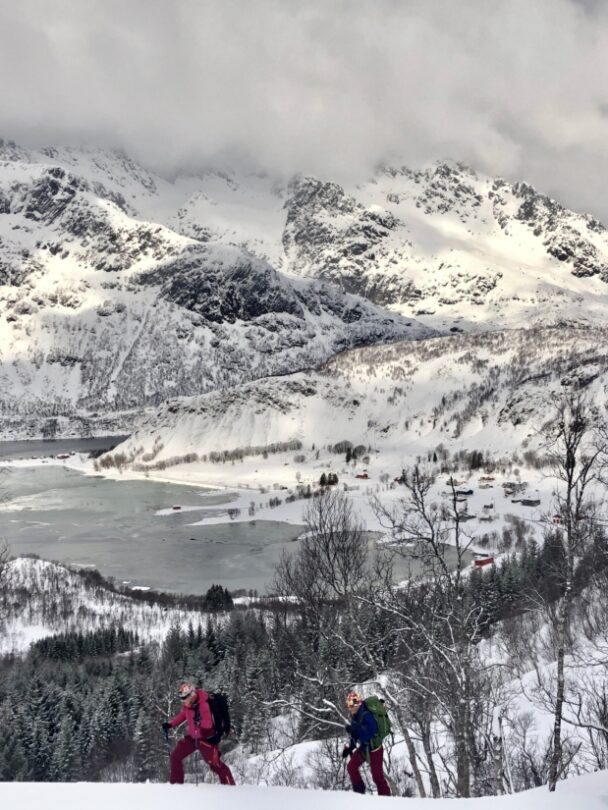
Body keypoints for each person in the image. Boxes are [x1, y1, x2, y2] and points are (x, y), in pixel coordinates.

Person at [162, 681, 235, 786]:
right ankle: (176, 787)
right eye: (183, 699)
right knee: (175, 757)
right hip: (193, 738)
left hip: (207, 739)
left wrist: (199, 725)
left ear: (192, 695)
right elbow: (182, 716)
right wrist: (170, 725)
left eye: (185, 698)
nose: (184, 701)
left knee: (215, 764)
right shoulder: (188, 706)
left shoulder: (203, 704)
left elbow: (208, 724)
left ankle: (231, 787)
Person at [342, 690, 390, 796]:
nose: (351, 709)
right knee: (351, 767)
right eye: (350, 707)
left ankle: (386, 801)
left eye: (353, 706)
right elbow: (356, 735)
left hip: (375, 749)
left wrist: (355, 729)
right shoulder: (355, 716)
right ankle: (359, 794)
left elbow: (371, 733)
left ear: (358, 704)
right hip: (364, 748)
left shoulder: (366, 714)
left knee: (377, 778)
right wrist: (350, 748)